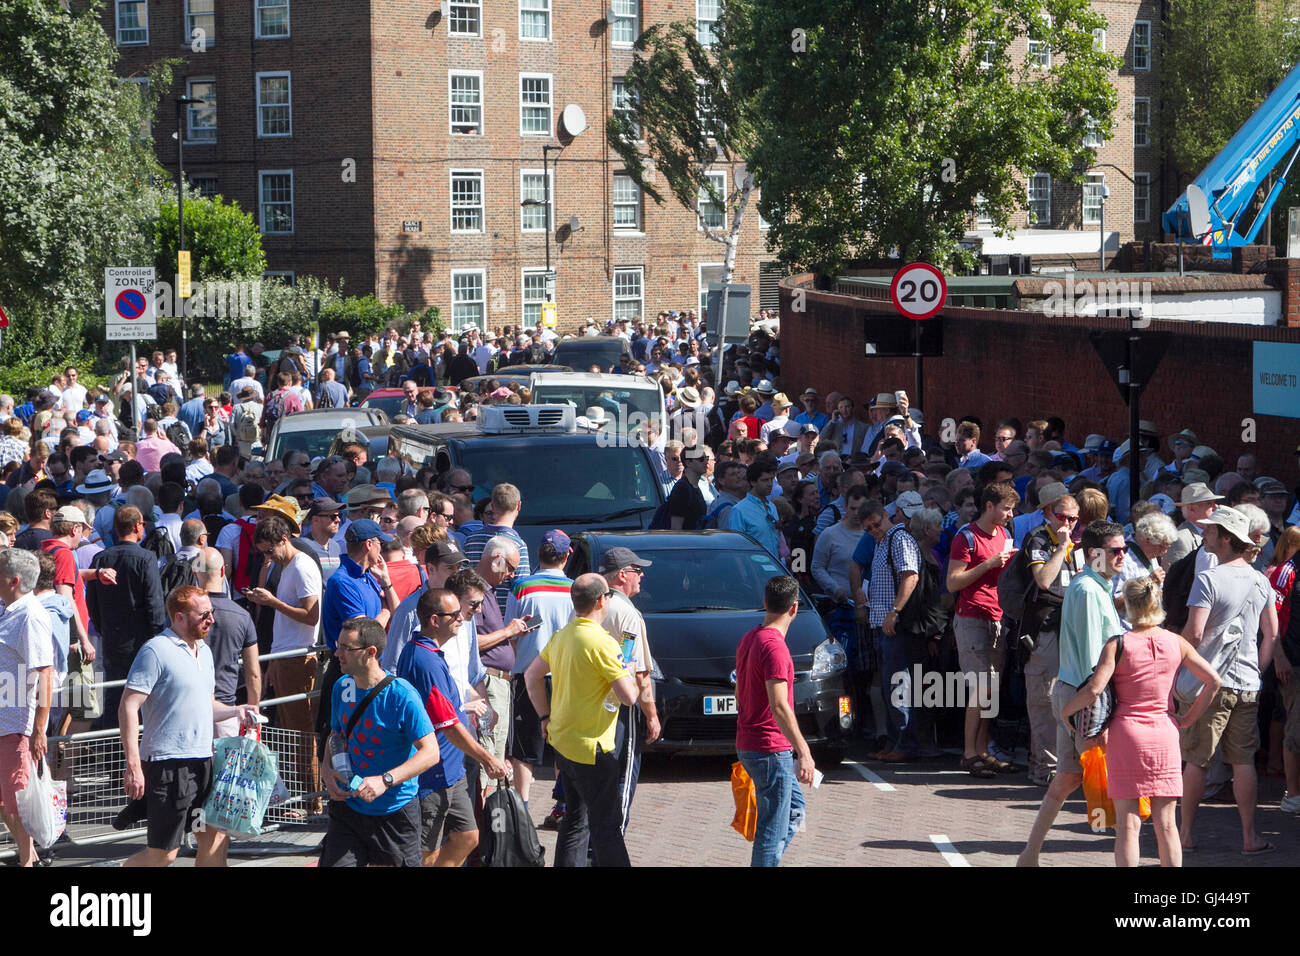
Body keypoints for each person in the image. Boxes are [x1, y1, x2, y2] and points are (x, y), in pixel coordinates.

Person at [1061, 576, 1220, 867]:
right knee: (1167, 824)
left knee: (1128, 825)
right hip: (1165, 732)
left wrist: (1066, 711)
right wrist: (1187, 718)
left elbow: (1095, 689)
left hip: (1126, 734)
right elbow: (1213, 680)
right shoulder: (1176, 642)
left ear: (1129, 605)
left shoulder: (1118, 644)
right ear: (1156, 602)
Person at [119, 586, 261, 866]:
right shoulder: (156, 650)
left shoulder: (204, 651)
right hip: (168, 767)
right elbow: (128, 705)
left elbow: (207, 705)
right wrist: (133, 764)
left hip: (204, 763)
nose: (212, 619)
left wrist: (237, 710)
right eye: (204, 614)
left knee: (214, 839)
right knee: (164, 854)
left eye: (212, 612)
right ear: (180, 617)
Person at [1177, 506, 1287, 855]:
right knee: (1243, 761)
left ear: (1226, 538)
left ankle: (1185, 835)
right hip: (1247, 684)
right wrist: (1257, 668)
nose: (1205, 534)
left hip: (1209, 684)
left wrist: (1172, 663)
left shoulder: (1208, 579)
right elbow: (1271, 636)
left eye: (1211, 531)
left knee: (1197, 759)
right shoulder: (1261, 580)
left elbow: (1193, 634)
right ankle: (1249, 837)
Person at [1018, 519, 1128, 866]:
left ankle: (1029, 854)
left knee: (1068, 778)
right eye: (1116, 550)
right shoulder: (1088, 591)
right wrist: (1096, 709)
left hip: (1075, 693)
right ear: (1095, 553)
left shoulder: (1090, 586)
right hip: (1086, 697)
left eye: (1124, 549)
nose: (1122, 556)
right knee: (1109, 784)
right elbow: (1095, 660)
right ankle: (1119, 857)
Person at [523, 573, 639, 866]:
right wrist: (630, 670)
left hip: (564, 743)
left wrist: (544, 716)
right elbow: (629, 697)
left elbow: (531, 676)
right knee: (606, 826)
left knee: (575, 819)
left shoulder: (562, 635)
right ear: (602, 600)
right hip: (593, 748)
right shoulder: (603, 643)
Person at [397, 588, 510, 867]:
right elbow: (448, 725)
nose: (462, 619)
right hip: (432, 774)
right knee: (426, 852)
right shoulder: (424, 661)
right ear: (435, 620)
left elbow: (450, 710)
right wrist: (487, 759)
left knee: (468, 836)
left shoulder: (432, 653)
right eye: (455, 615)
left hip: (452, 769)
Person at [319, 616, 440, 867]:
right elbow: (336, 735)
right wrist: (326, 770)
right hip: (348, 812)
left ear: (370, 652)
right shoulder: (343, 686)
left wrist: (385, 780)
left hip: (395, 812)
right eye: (338, 644)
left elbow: (430, 753)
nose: (337, 652)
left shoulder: (402, 695)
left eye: (346, 648)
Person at [734, 575, 816, 867]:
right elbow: (780, 705)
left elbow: (738, 688)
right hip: (769, 748)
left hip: (751, 743)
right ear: (794, 608)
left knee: (793, 810)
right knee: (771, 827)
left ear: (765, 602)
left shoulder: (750, 638)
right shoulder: (776, 648)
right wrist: (804, 751)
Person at [245, 514, 323, 815]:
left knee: (301, 732)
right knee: (292, 731)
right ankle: (306, 797)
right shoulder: (288, 565)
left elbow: (311, 615)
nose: (267, 557)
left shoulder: (302, 566)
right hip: (286, 655)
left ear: (284, 540)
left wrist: (271, 602)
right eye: (263, 552)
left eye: (269, 551)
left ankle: (312, 801)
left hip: (298, 657)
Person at [946, 481, 1019, 777]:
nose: (1010, 514)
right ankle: (969, 753)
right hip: (972, 616)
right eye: (1006, 508)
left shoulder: (1004, 534)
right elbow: (953, 582)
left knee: (991, 689)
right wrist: (988, 564)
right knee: (980, 687)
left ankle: (983, 750)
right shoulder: (966, 537)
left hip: (997, 617)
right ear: (989, 506)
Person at [1020, 484, 1083, 785]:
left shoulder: (1080, 545)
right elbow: (1044, 580)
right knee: (1044, 700)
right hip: (1044, 630)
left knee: (1066, 699)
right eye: (1063, 517)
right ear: (1049, 514)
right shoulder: (1039, 539)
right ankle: (1043, 768)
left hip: (1071, 630)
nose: (1068, 524)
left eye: (1074, 519)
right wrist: (1060, 547)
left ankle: (1063, 765)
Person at [506, 530, 574, 810]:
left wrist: (521, 658)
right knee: (563, 742)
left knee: (524, 747)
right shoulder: (575, 588)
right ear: (567, 555)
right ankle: (563, 806)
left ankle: (521, 807)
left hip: (526, 674)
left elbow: (511, 632)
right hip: (564, 675)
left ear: (538, 554)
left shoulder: (522, 587)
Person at [87, 506, 168, 727]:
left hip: (113, 640)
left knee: (115, 697)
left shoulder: (101, 558)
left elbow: (91, 602)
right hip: (142, 642)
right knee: (143, 696)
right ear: (136, 526)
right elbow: (154, 603)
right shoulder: (146, 558)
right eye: (142, 523)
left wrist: (103, 627)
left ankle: (113, 752)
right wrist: (160, 637)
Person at [599, 546, 660, 833]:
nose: (643, 575)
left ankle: (594, 840)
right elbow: (638, 673)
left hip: (591, 704)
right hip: (621, 706)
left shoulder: (592, 607)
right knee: (624, 774)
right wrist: (651, 714)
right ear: (622, 575)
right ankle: (612, 838)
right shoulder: (628, 615)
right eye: (637, 570)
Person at [0, 549, 54, 867]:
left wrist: (39, 730)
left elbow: (45, 673)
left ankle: (27, 862)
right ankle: (29, 857)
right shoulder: (8, 608)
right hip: (4, 721)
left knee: (14, 802)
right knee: (4, 801)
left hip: (15, 725)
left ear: (13, 580)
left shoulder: (30, 616)